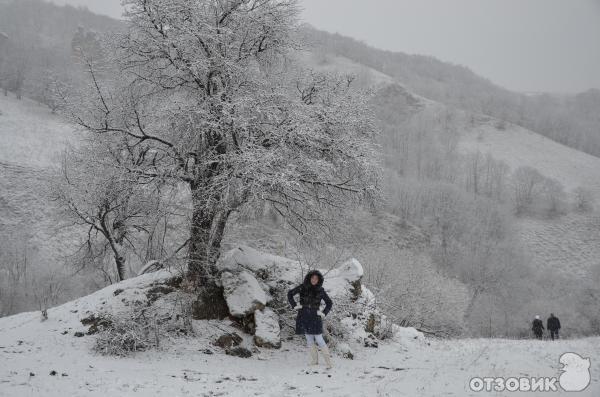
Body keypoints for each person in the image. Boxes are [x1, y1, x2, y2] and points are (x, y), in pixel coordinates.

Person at [287, 270, 333, 369]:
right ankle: (314, 361)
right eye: (312, 278)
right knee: (309, 339)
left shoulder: (321, 290)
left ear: (319, 280)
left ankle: (328, 362)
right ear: (309, 278)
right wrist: (294, 305)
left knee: (319, 339)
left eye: (316, 279)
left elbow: (329, 303)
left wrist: (323, 313)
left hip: (315, 316)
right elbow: (290, 294)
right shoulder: (302, 287)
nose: (314, 280)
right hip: (303, 315)